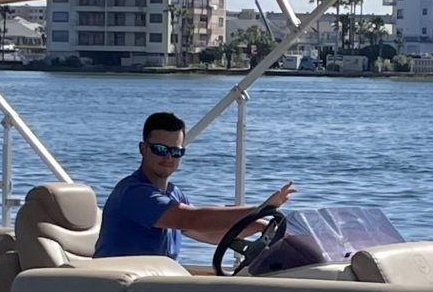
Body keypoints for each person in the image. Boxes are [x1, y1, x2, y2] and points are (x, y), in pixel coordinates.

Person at [95, 111, 295, 263]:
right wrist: (261, 209)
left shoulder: (174, 194)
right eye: (160, 149)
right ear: (143, 149)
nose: (168, 158)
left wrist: (260, 226)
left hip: (153, 283)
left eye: (176, 151)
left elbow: (206, 233)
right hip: (124, 287)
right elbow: (194, 219)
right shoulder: (134, 193)